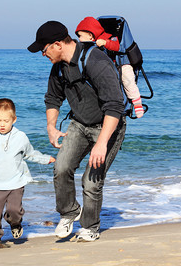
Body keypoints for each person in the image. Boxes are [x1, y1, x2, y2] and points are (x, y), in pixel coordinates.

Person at [28, 21, 127, 242]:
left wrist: (101, 143)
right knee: (61, 167)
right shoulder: (58, 68)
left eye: (44, 50)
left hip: (107, 127)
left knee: (91, 181)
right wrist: (51, 128)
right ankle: (70, 212)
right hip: (79, 124)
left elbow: (115, 106)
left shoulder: (96, 61)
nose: (43, 54)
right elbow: (53, 98)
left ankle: (90, 226)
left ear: (57, 44)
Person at [0, 98, 55, 249]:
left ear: (14, 119)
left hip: (16, 182)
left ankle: (15, 224)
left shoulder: (20, 137)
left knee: (14, 211)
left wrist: (45, 159)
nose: (2, 124)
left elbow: (30, 153)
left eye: (6, 121)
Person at [75, 16, 144, 118]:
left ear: (90, 35)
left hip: (122, 64)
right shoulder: (91, 45)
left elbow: (118, 46)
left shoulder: (108, 37)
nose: (79, 39)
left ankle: (137, 102)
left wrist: (106, 43)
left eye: (80, 36)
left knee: (128, 80)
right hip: (109, 66)